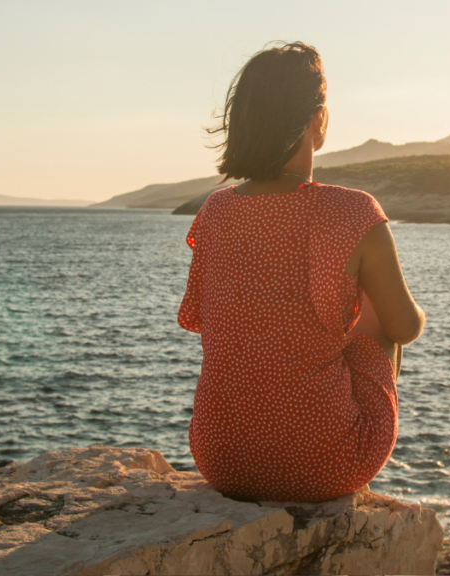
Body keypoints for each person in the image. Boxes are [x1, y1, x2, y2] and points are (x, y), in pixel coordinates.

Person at [177, 42, 424, 503]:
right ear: (319, 121)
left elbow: (211, 322)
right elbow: (404, 328)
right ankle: (355, 480)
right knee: (376, 324)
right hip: (324, 464)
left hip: (220, 460)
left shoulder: (214, 211)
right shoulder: (352, 211)